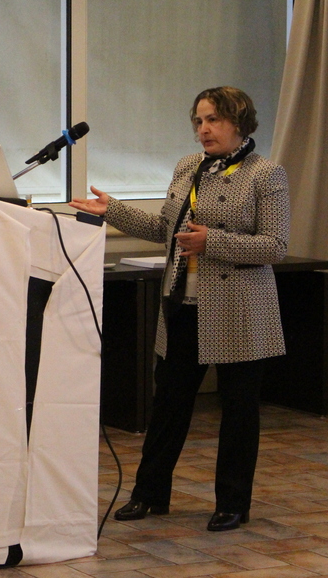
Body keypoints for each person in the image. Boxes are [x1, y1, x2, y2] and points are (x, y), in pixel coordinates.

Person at [70, 86, 290, 532]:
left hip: (239, 310)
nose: (203, 129)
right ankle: (149, 494)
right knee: (168, 404)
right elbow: (164, 228)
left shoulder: (266, 174)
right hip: (182, 304)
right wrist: (112, 211)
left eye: (213, 120)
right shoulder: (188, 167)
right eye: (198, 121)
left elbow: (275, 246)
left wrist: (213, 242)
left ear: (239, 122)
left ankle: (233, 503)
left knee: (239, 410)